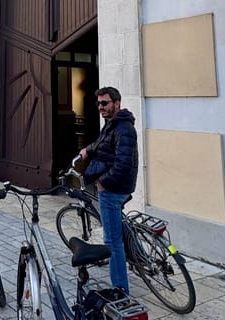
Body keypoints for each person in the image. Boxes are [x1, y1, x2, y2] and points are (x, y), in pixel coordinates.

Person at [79, 86, 138, 294]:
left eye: (105, 103)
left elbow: (123, 164)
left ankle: (121, 291)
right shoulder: (112, 125)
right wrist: (87, 150)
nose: (101, 107)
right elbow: (102, 143)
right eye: (99, 104)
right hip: (115, 186)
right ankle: (137, 254)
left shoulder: (123, 129)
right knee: (117, 231)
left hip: (113, 189)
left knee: (112, 242)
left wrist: (103, 182)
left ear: (117, 103)